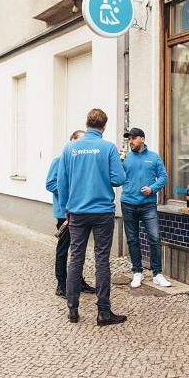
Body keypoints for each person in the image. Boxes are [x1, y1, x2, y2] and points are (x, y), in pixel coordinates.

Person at [57, 108, 127, 326]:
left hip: (77, 212)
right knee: (102, 259)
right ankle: (103, 312)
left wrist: (65, 209)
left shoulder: (69, 148)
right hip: (102, 212)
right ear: (104, 127)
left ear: (86, 124)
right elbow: (119, 179)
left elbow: (61, 182)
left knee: (76, 257)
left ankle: (73, 310)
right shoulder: (108, 148)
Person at [45, 130, 95, 299]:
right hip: (64, 213)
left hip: (80, 211)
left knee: (78, 249)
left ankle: (78, 282)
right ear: (72, 141)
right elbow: (50, 184)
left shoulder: (80, 161)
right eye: (80, 140)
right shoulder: (59, 160)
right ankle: (61, 284)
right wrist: (70, 192)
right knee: (63, 248)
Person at [121, 127, 171, 288]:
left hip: (148, 204)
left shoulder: (154, 157)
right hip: (128, 203)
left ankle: (157, 274)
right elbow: (116, 177)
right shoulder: (125, 157)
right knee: (132, 239)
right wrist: (118, 162)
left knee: (154, 238)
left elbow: (163, 177)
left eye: (133, 138)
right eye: (129, 139)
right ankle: (137, 272)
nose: (130, 142)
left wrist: (152, 188)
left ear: (142, 139)